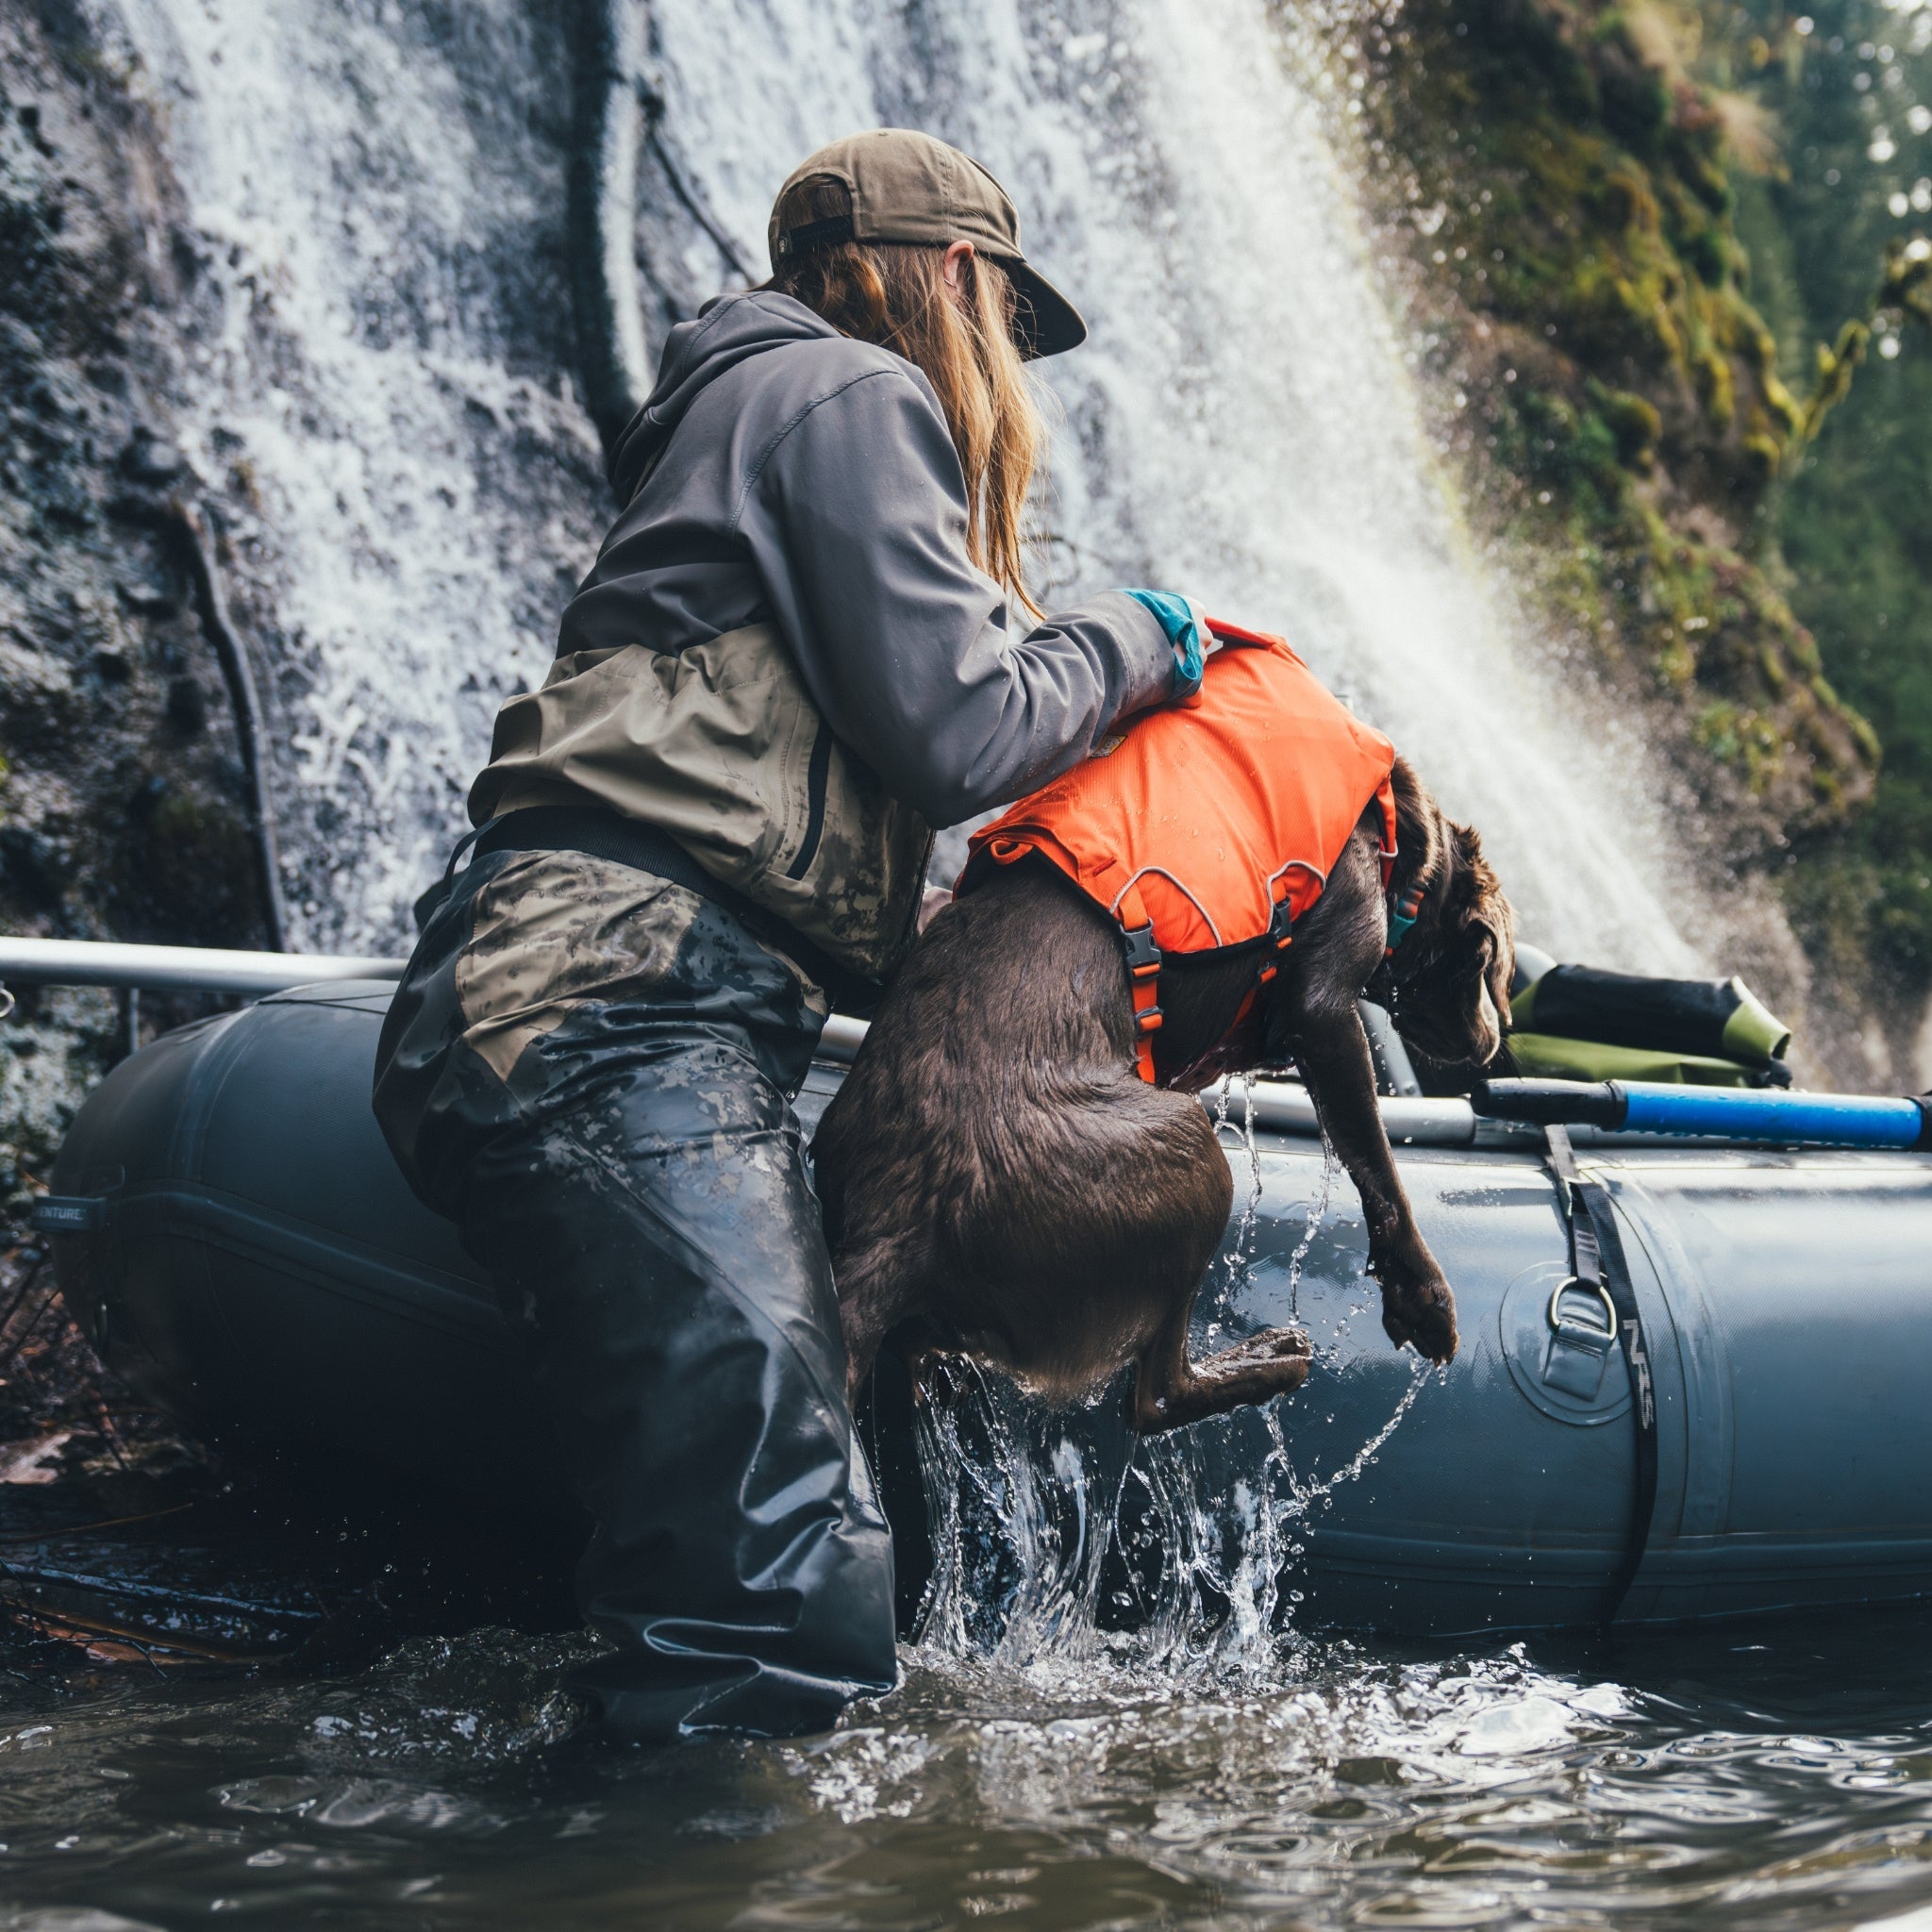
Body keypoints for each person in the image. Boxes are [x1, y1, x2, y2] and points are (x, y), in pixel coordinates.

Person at [372, 127, 1211, 1744]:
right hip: (612, 1009)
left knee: (757, 1572)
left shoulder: (743, 408)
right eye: (1004, 324)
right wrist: (1134, 636)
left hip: (592, 998)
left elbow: (774, 792)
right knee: (776, 1598)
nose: (1003, 376)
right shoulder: (850, 395)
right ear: (954, 278)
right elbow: (967, 725)